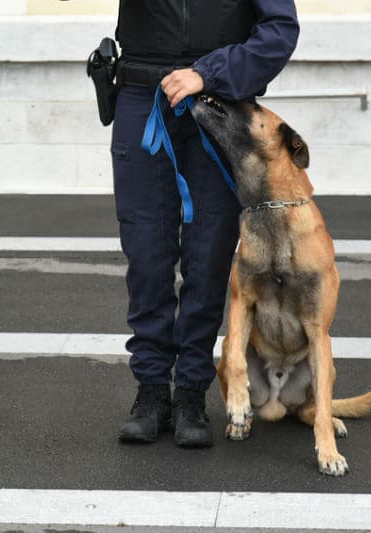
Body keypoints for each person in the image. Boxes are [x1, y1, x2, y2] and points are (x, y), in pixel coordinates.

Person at [111, 1, 300, 447]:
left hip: (219, 108)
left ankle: (191, 392)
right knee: (145, 250)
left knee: (209, 253)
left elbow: (279, 29)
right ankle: (153, 390)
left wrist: (209, 73)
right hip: (144, 95)